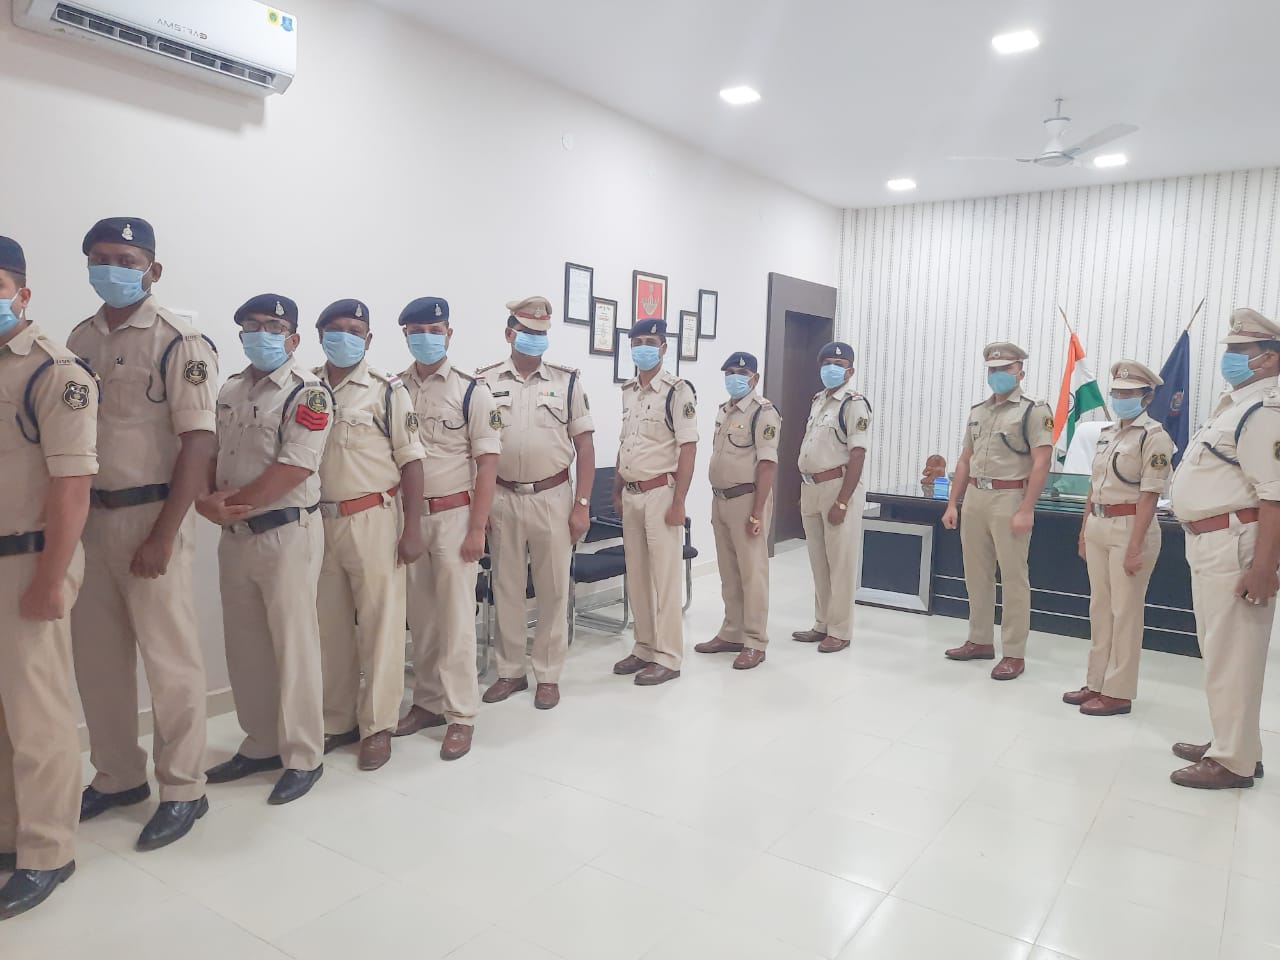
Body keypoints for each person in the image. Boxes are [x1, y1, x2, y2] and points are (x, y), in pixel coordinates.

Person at [68, 217, 216, 852]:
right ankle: (118, 775)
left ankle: (185, 787)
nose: (112, 268)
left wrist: (162, 534)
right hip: (90, 521)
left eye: (125, 258)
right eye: (100, 258)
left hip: (151, 518)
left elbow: (199, 442)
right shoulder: (79, 336)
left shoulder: (180, 339)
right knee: (97, 661)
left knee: (170, 659)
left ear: (153, 268)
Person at [195, 294, 331, 804]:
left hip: (285, 532)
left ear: (293, 338)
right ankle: (260, 744)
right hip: (235, 538)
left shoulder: (308, 393)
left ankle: (303, 755)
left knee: (294, 646)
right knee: (246, 645)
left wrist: (230, 505)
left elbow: (297, 464)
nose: (260, 334)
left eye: (272, 326)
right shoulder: (229, 388)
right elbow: (210, 452)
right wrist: (204, 502)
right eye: (250, 326)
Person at [0, 237, 96, 920]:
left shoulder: (54, 371)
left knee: (37, 715)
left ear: (22, 294)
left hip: (29, 560)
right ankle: (12, 833)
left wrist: (48, 579)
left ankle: (48, 851)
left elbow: (72, 489)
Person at [1166, 307, 1280, 789]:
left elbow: (1275, 495)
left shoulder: (1266, 410)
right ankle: (1232, 744)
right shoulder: (1235, 404)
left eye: (1241, 351)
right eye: (1229, 349)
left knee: (1234, 654)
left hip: (1236, 543)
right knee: (1220, 652)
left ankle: (1232, 761)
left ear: (1270, 359)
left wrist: (1263, 568)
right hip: (1211, 540)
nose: (1230, 358)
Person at [312, 299, 424, 771]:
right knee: (328, 627)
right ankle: (337, 720)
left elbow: (412, 460)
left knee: (380, 625)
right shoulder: (306, 388)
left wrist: (412, 527)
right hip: (317, 522)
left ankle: (378, 724)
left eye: (354, 330)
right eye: (334, 330)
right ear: (319, 336)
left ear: (369, 339)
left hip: (373, 519)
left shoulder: (386, 391)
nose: (344, 337)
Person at [393, 297, 500, 760]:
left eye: (433, 329)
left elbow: (488, 463)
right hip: (410, 517)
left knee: (457, 619)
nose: (425, 337)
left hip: (457, 517)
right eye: (416, 329)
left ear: (449, 333)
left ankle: (460, 714)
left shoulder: (473, 391)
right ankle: (428, 702)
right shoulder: (394, 388)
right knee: (423, 619)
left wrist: (479, 528)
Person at [477, 296, 594, 710]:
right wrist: (482, 506)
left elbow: (585, 446)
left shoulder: (567, 382)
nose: (534, 340)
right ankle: (510, 671)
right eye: (527, 333)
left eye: (542, 334)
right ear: (509, 333)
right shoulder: (486, 382)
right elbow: (476, 449)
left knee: (552, 589)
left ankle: (547, 673)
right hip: (503, 498)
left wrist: (582, 504)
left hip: (553, 498)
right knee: (506, 588)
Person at [941, 342, 1053, 680]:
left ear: (1020, 371)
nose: (998, 375)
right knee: (976, 573)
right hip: (976, 496)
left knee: (1014, 579)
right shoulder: (979, 411)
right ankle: (979, 640)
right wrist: (952, 503)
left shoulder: (1035, 411)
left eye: (1005, 369)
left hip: (1010, 498)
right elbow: (964, 460)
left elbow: (1042, 462)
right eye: (993, 370)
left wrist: (1027, 508)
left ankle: (1014, 653)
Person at [1068, 360, 1174, 717]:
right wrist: (1084, 530)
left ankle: (1119, 691)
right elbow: (1092, 487)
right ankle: (1096, 681)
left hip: (1131, 527)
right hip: (1099, 525)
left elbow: (1149, 495)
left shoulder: (1155, 437)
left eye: (1129, 394)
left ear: (1147, 396)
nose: (1121, 399)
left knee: (1125, 611)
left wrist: (1135, 546)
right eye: (1117, 393)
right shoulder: (1108, 433)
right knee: (1100, 607)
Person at [611, 319, 698, 686]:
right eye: (637, 341)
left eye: (650, 342)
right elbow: (625, 444)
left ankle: (668, 656)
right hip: (631, 494)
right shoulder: (629, 390)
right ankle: (644, 646)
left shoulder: (678, 390)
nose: (642, 347)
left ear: (663, 348)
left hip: (662, 493)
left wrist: (679, 501)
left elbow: (688, 447)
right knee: (639, 576)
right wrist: (615, 489)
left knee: (664, 576)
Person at [695, 351, 780, 669]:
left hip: (747, 501)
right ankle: (732, 631)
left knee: (752, 573)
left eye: (740, 373)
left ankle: (755, 641)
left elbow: (768, 465)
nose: (734, 378)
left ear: (754, 378)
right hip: (721, 500)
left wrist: (757, 512)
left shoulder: (764, 413)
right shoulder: (724, 411)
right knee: (729, 572)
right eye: (729, 372)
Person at [790, 341, 869, 654]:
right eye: (826, 363)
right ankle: (821, 623)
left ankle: (840, 630)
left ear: (849, 370)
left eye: (838, 364)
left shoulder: (854, 404)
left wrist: (842, 501)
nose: (831, 369)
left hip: (838, 488)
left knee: (840, 563)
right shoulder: (819, 400)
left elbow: (858, 454)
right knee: (818, 562)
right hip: (811, 488)